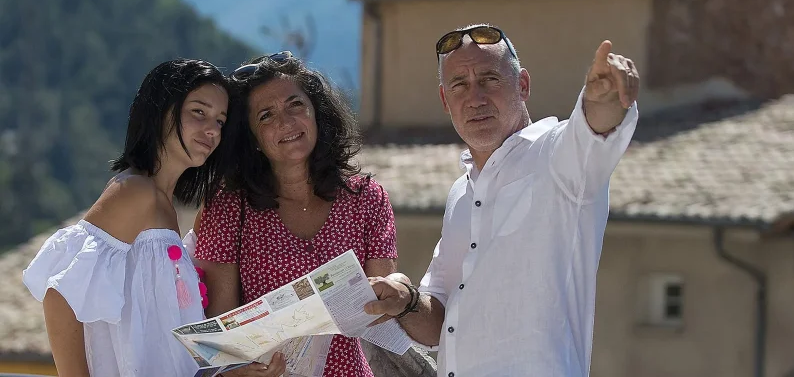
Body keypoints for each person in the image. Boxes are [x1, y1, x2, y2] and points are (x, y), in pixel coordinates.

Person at [364, 24, 640, 377]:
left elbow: (595, 128)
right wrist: (406, 302)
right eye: (459, 85)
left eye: (490, 79)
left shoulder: (558, 158)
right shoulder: (461, 194)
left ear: (523, 85)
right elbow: (440, 321)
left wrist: (604, 98)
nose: (475, 98)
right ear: (445, 101)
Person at [22, 59, 237, 377]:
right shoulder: (136, 192)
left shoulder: (164, 207)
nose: (212, 129)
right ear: (161, 110)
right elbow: (60, 296)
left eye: (220, 120)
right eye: (199, 112)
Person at [192, 51, 399, 377]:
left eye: (295, 105)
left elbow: (381, 304)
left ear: (317, 112)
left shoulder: (366, 199)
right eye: (266, 116)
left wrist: (396, 289)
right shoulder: (228, 209)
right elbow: (221, 332)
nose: (286, 123)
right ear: (253, 139)